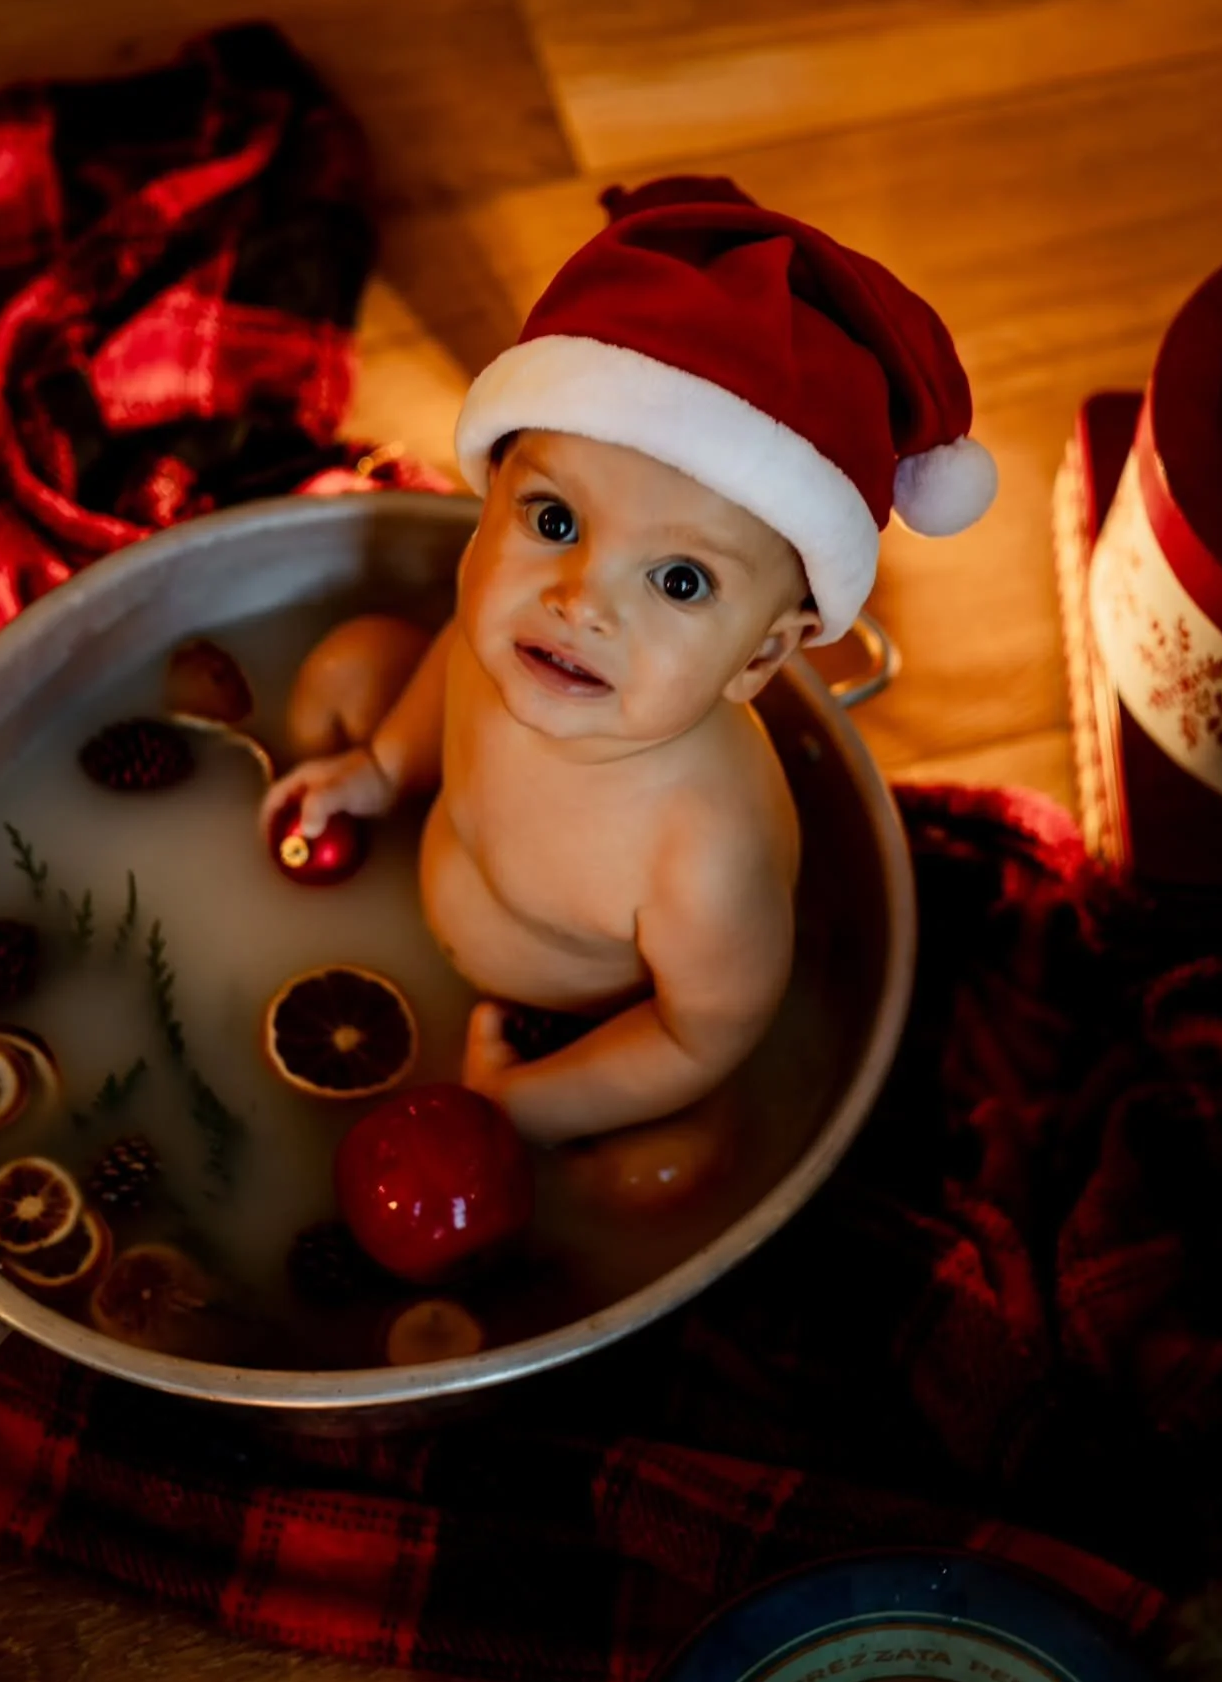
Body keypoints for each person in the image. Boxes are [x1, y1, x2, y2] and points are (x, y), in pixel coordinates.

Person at [259, 176, 996, 1151]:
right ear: (484, 510)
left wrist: (530, 1105)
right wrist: (386, 766)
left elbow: (703, 1034)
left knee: (661, 1167)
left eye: (681, 583)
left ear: (761, 658)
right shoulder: (524, 647)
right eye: (554, 521)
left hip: (576, 1023)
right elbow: (451, 664)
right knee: (354, 664)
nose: (582, 601)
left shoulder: (700, 853)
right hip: (425, 870)